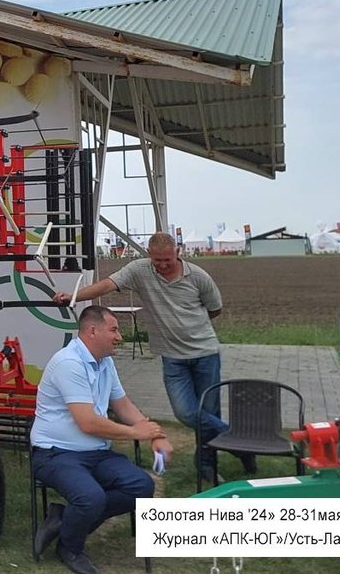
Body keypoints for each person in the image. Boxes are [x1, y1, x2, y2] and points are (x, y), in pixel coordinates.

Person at [52, 231, 246, 484]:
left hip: (205, 353)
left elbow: (215, 308)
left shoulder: (198, 277)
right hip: (172, 357)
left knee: (208, 412)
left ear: (178, 253)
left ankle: (206, 464)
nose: (163, 265)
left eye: (168, 260)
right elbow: (107, 284)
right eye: (157, 260)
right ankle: (242, 442)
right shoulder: (139, 270)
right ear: (149, 256)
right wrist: (74, 297)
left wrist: (190, 327)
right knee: (187, 413)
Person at [31, 305, 172, 574]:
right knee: (90, 498)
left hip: (96, 452)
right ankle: (70, 548)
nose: (119, 337)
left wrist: (156, 435)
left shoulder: (105, 362)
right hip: (55, 453)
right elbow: (88, 422)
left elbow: (123, 405)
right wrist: (134, 433)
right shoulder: (68, 363)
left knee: (141, 486)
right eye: (114, 330)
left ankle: (63, 520)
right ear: (93, 331)